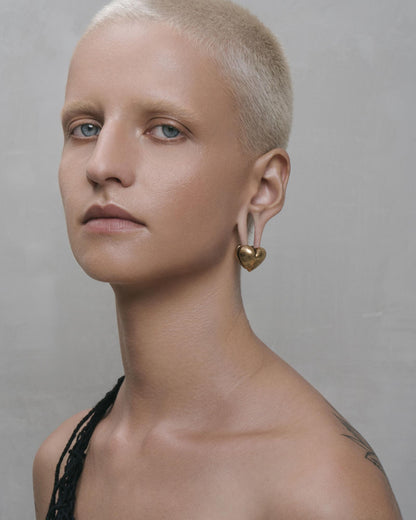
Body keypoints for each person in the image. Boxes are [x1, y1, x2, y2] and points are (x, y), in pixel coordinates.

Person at [32, 0, 402, 518]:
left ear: (263, 188)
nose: (101, 165)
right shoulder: (61, 460)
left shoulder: (320, 486)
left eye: (166, 130)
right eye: (86, 127)